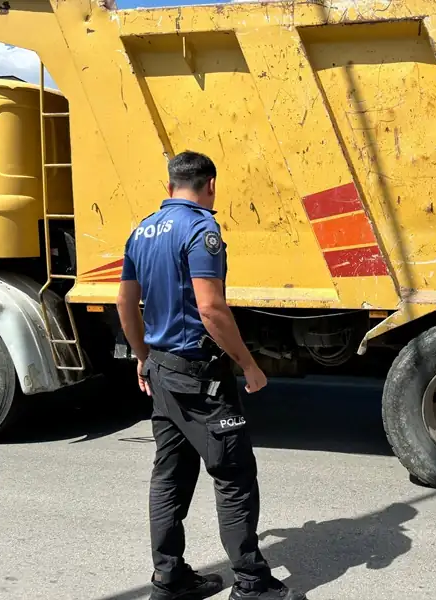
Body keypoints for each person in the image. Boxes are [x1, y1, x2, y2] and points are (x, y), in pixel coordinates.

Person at [116, 151, 307, 600]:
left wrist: (142, 355)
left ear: (169, 188)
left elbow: (125, 304)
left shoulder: (141, 230)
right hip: (200, 376)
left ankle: (170, 578)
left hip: (161, 369)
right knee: (234, 473)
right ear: (211, 186)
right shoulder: (202, 228)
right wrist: (249, 365)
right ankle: (252, 583)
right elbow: (210, 308)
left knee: (169, 476)